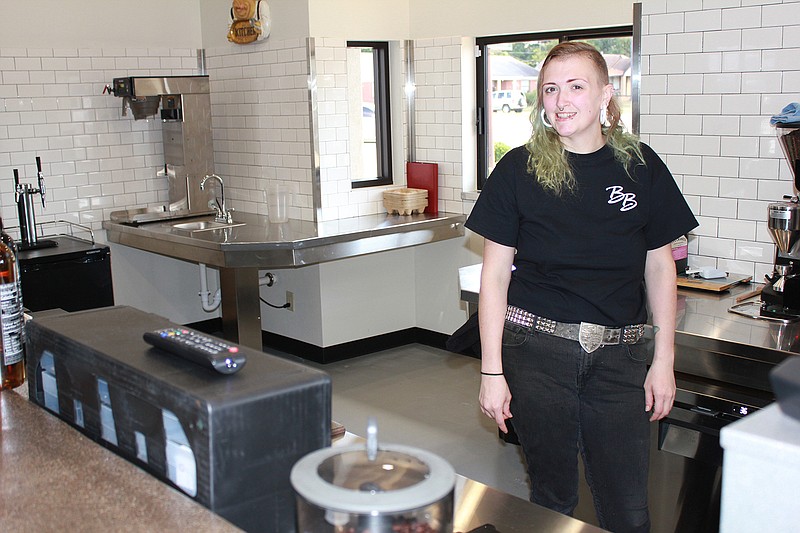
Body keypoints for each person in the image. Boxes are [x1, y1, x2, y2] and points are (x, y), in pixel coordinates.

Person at [465, 42, 698, 533]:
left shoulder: (640, 166)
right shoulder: (518, 169)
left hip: (622, 357)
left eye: (576, 86)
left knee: (629, 511)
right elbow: (494, 277)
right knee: (552, 499)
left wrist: (664, 361)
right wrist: (492, 371)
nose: (561, 99)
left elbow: (659, 267)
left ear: (606, 96)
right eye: (550, 88)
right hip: (538, 354)